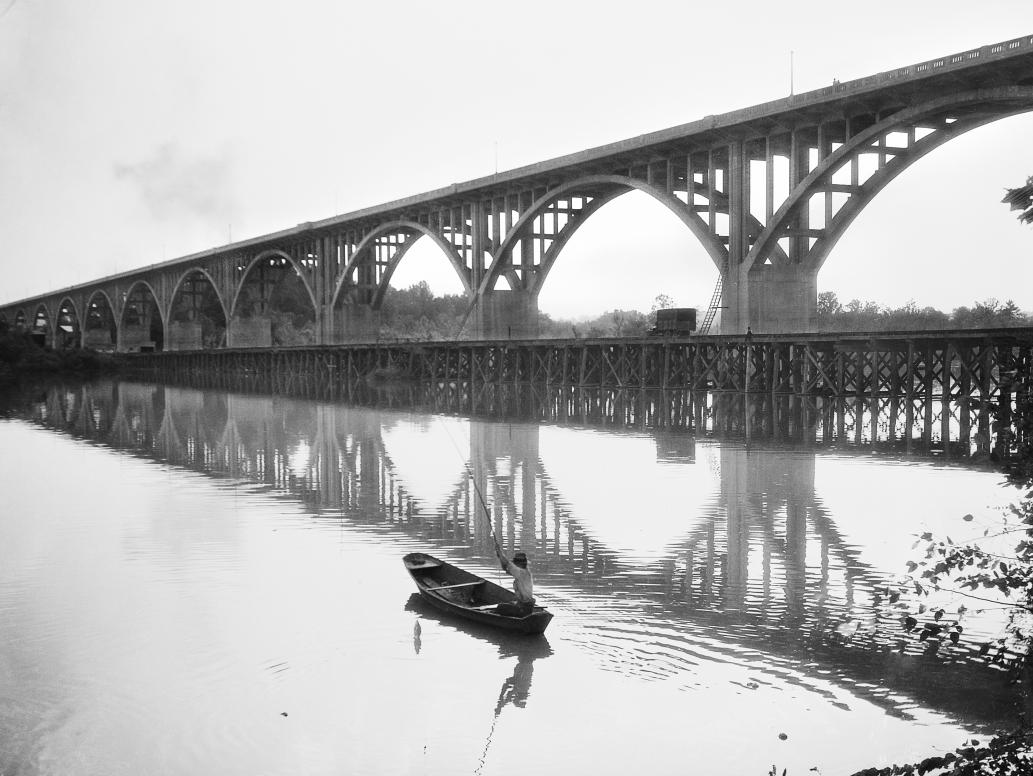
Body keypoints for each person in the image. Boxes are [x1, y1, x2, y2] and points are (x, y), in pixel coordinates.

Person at [494, 542, 534, 616]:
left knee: (500, 607)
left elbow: (507, 564)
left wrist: (500, 552)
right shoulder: (524, 571)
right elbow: (505, 567)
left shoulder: (520, 572)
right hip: (526, 606)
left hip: (524, 608)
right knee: (509, 604)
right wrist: (500, 556)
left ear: (518, 564)